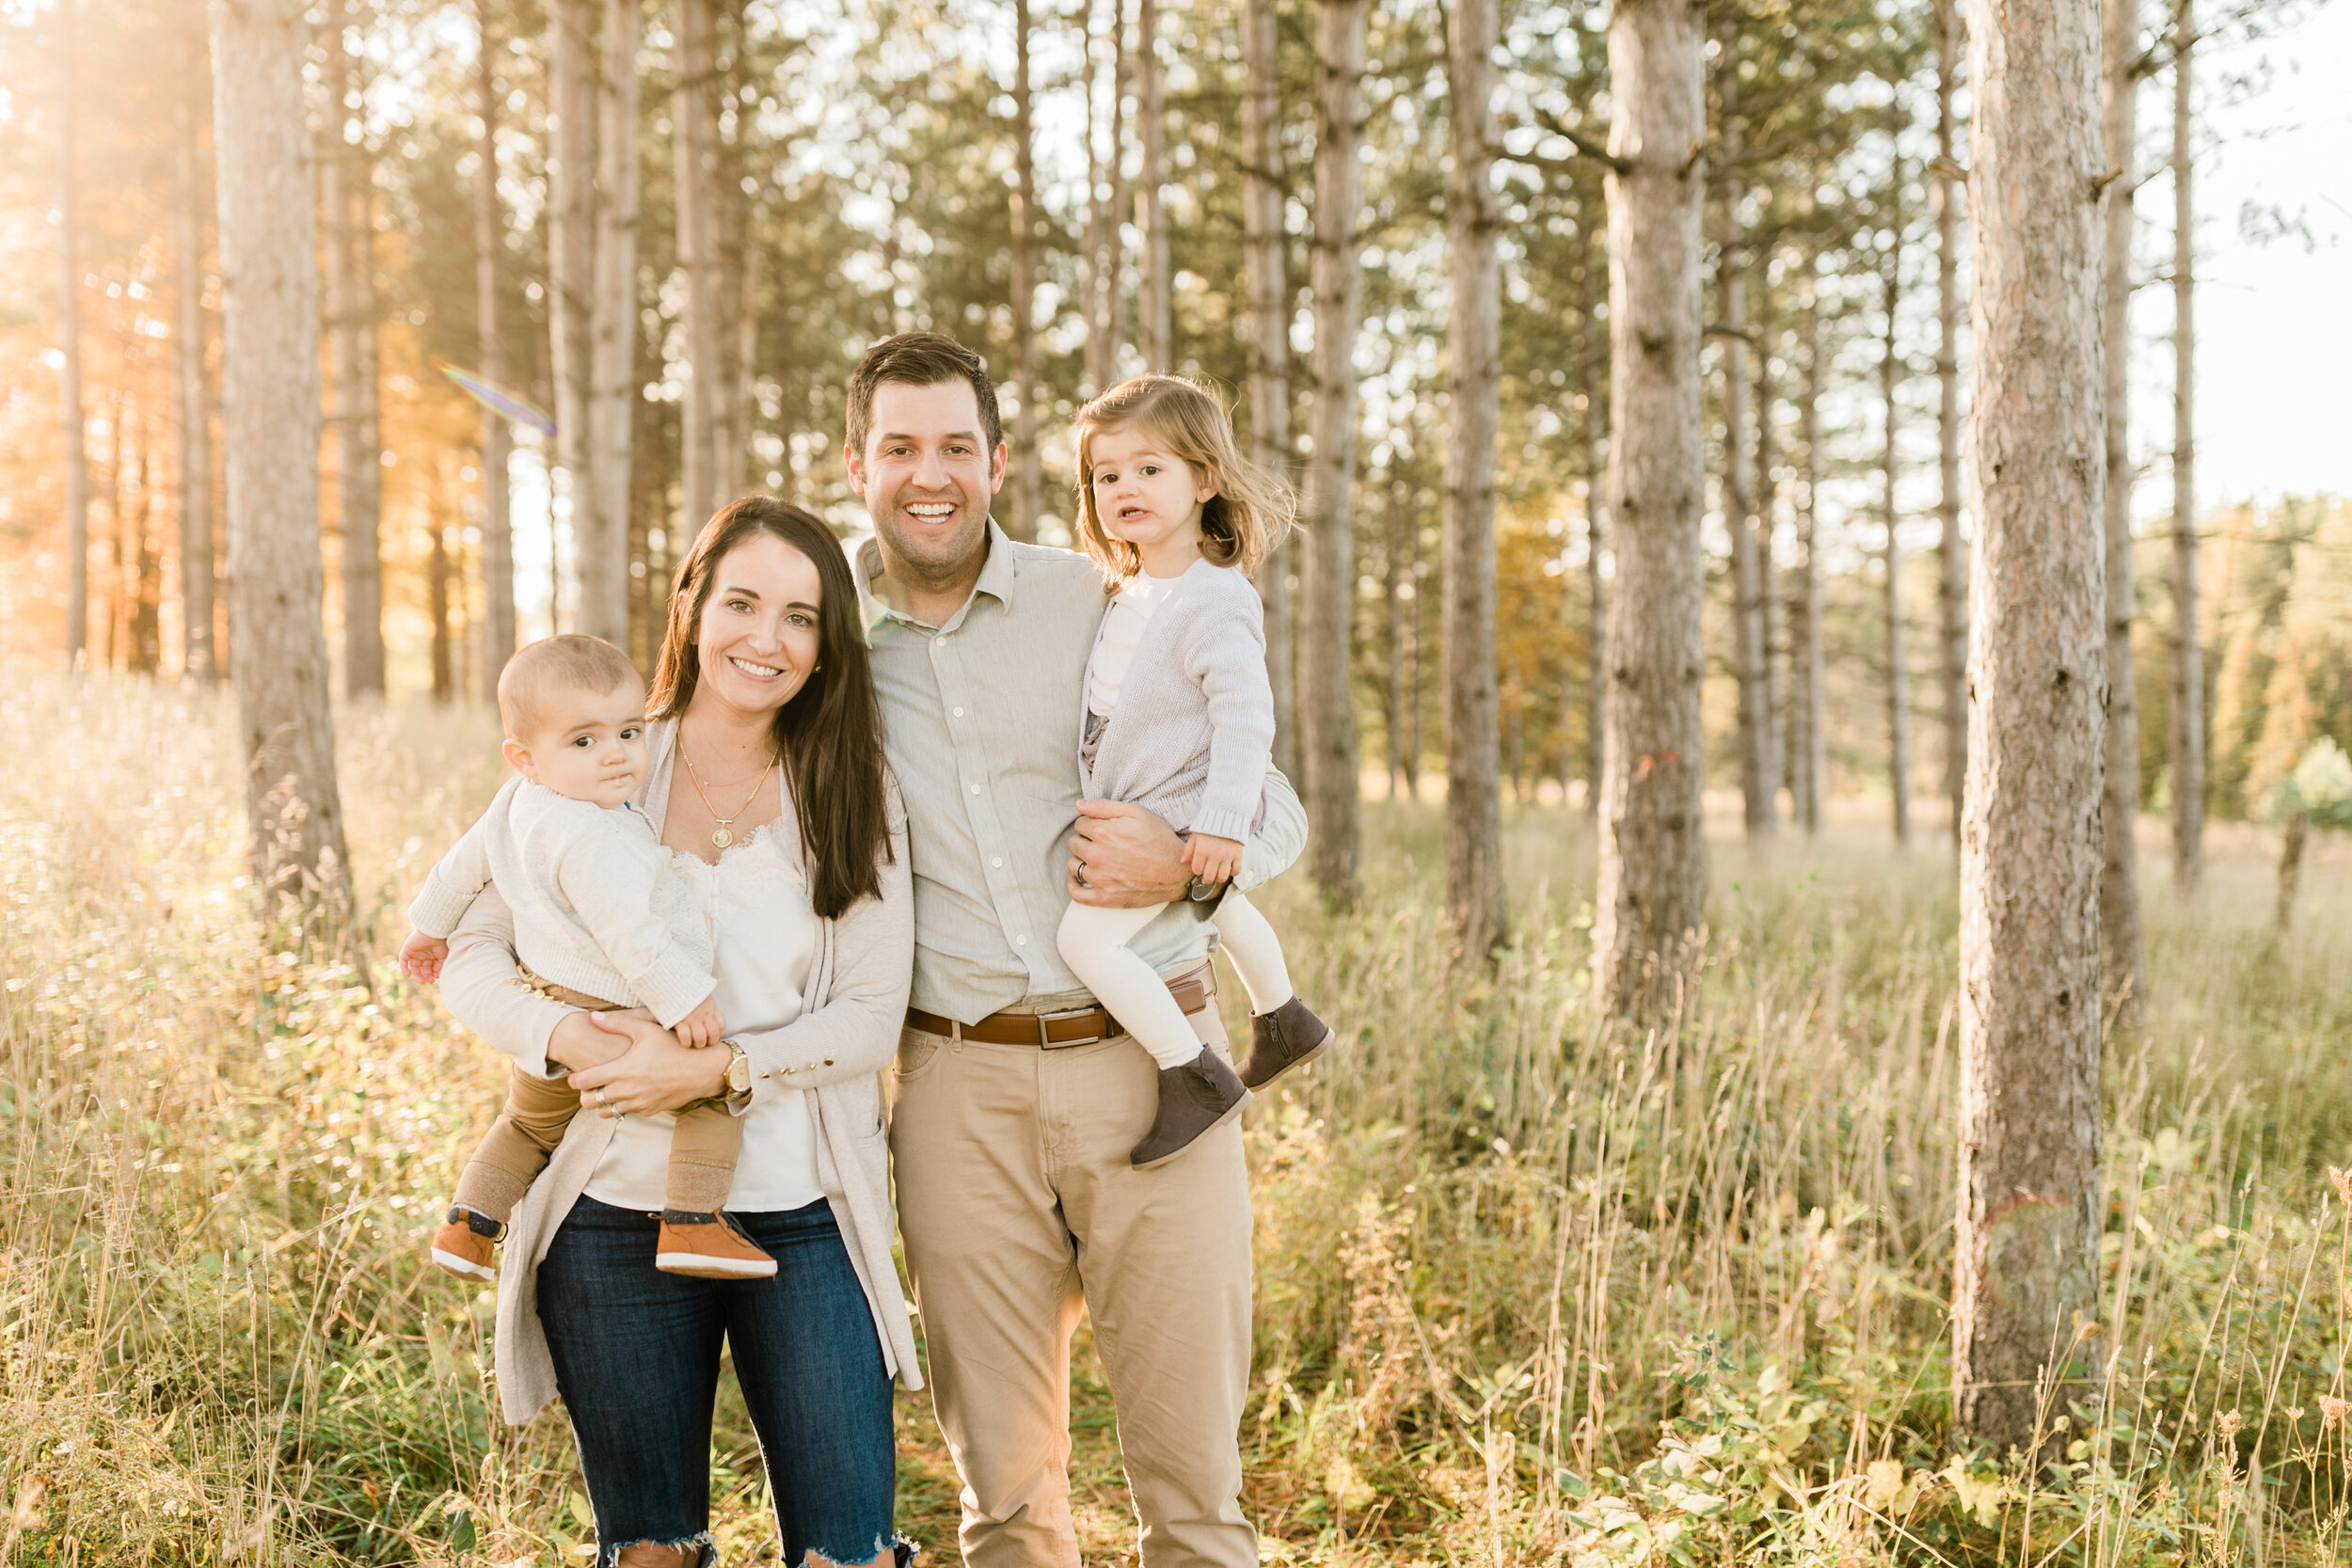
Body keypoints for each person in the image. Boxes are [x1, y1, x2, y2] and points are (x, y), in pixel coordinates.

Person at [849, 331, 1305, 1568]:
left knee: (1197, 1495)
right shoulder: (820, 632)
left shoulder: (1104, 598)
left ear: (996, 460)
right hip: (955, 1088)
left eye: (955, 445)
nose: (928, 473)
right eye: (900, 447)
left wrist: (1190, 859)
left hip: (1150, 1056)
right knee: (1005, 1506)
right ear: (857, 464)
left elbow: (1276, 802)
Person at [434, 499, 917, 1568]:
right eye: (741, 601)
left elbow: (870, 1018)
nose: (765, 637)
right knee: (650, 1550)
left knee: (852, 1551)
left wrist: (719, 1064)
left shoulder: (850, 787)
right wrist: (571, 1038)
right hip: (610, 1212)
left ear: (827, 639)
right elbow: (466, 955)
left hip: (804, 1212)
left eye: (799, 616)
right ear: (692, 604)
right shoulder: (595, 757)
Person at [400, 633, 773, 1283]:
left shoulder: (517, 802)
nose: (615, 757)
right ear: (526, 757)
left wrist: (426, 928)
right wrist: (685, 1000)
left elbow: (461, 868)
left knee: (527, 1121)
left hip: (550, 997)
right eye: (583, 741)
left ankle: (468, 1223)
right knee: (711, 1094)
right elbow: (633, 934)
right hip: (617, 1002)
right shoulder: (595, 836)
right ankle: (692, 1221)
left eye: (629, 732)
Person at [1057, 373, 1336, 1166]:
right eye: (1106, 475)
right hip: (1162, 801)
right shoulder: (1131, 591)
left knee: (1087, 943)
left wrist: (1220, 819)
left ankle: (1194, 1073)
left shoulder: (1214, 596)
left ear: (1204, 479)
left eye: (1149, 469)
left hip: (1193, 803)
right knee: (1217, 905)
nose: (1124, 487)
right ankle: (1285, 1019)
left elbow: (1246, 716)